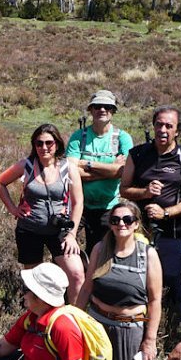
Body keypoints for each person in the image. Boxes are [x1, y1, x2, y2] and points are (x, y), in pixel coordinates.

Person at [119, 105, 181, 341]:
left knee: (172, 282)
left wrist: (165, 213)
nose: (163, 129)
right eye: (159, 124)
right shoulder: (137, 154)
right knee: (139, 282)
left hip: (172, 233)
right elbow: (124, 189)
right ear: (153, 126)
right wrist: (144, 193)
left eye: (169, 126)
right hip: (138, 232)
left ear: (177, 130)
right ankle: (138, 333)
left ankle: (176, 335)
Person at [75, 200, 161, 360]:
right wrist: (74, 320)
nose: (121, 224)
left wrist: (149, 340)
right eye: (115, 220)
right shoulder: (100, 249)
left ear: (136, 224)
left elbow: (155, 301)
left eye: (127, 219)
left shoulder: (148, 255)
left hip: (129, 328)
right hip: (97, 324)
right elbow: (87, 288)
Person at [0, 123, 85, 298]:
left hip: (60, 231)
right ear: (34, 145)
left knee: (76, 274)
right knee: (33, 280)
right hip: (30, 229)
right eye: (39, 143)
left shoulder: (68, 168)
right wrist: (13, 209)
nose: (44, 147)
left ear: (57, 144)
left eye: (49, 143)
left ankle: (74, 318)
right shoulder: (27, 165)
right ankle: (36, 318)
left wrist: (72, 235)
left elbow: (78, 202)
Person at [67, 89, 133, 255]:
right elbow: (70, 170)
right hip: (78, 205)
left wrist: (86, 164)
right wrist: (111, 169)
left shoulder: (123, 138)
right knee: (64, 245)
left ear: (113, 111)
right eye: (97, 106)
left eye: (107, 107)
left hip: (108, 207)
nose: (102, 110)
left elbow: (124, 172)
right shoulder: (78, 137)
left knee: (100, 253)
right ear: (91, 110)